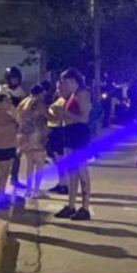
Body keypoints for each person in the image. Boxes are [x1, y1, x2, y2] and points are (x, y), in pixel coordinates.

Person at [54, 68, 92, 221]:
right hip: (70, 132)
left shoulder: (82, 94)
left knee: (82, 170)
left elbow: (83, 118)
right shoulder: (72, 95)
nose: (66, 85)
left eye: (69, 82)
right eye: (65, 82)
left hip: (79, 134)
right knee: (72, 171)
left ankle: (85, 207)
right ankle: (71, 205)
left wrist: (64, 114)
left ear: (76, 81)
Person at [0, 66, 27, 189]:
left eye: (16, 79)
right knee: (3, 154)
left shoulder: (21, 92)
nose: (15, 81)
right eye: (12, 79)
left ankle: (14, 177)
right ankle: (0, 179)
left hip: (16, 125)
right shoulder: (2, 92)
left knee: (16, 153)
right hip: (4, 126)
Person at [17, 86, 50, 199]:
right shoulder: (37, 102)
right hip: (35, 134)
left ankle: (28, 189)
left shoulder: (23, 102)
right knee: (39, 163)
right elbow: (47, 115)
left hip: (23, 135)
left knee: (29, 164)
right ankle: (36, 190)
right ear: (40, 93)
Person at [0, 94, 19, 209]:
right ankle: (1, 196)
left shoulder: (7, 114)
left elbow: (17, 124)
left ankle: (2, 194)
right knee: (3, 172)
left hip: (10, 145)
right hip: (1, 146)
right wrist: (12, 125)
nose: (9, 104)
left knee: (5, 172)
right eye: (6, 101)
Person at [46, 81, 70, 195]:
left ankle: (64, 185)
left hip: (59, 130)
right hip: (54, 130)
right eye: (58, 87)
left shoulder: (66, 100)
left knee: (60, 159)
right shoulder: (60, 99)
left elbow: (65, 116)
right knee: (57, 159)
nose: (58, 89)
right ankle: (62, 183)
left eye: (61, 87)